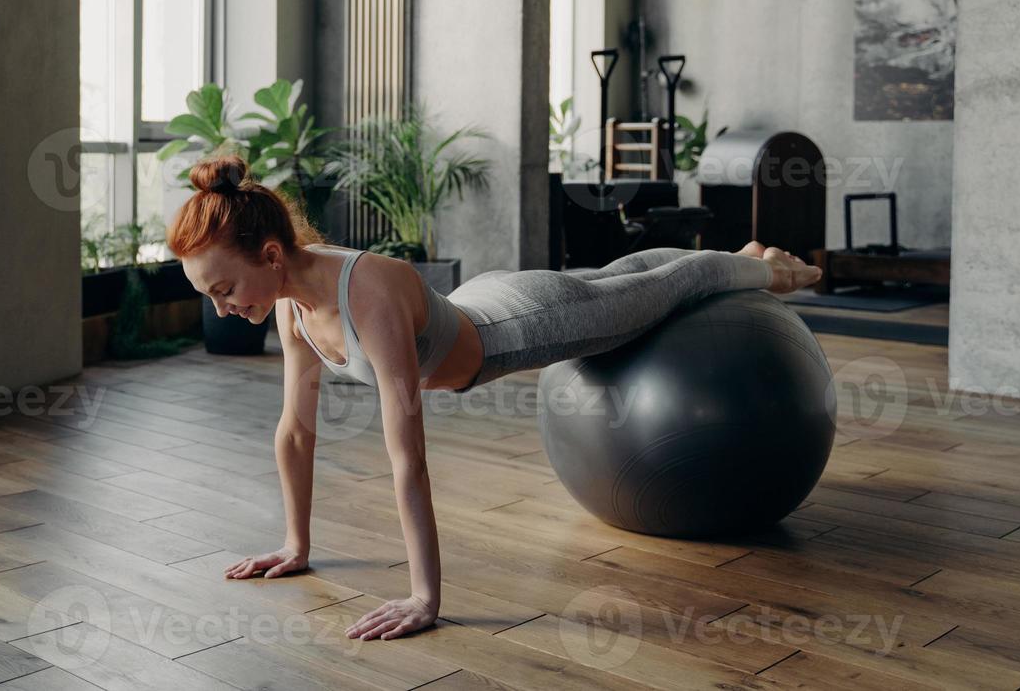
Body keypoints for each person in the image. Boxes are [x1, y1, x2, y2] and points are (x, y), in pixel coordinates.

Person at [169, 154, 822, 642]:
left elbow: (409, 461)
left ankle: (772, 267)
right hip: (485, 299)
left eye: (224, 289)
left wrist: (425, 599)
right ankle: (746, 254)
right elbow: (296, 433)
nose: (223, 309)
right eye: (210, 297)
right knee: (620, 280)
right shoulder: (292, 305)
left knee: (675, 282)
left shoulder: (365, 295)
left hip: (526, 324)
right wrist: (294, 545)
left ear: (273, 254)